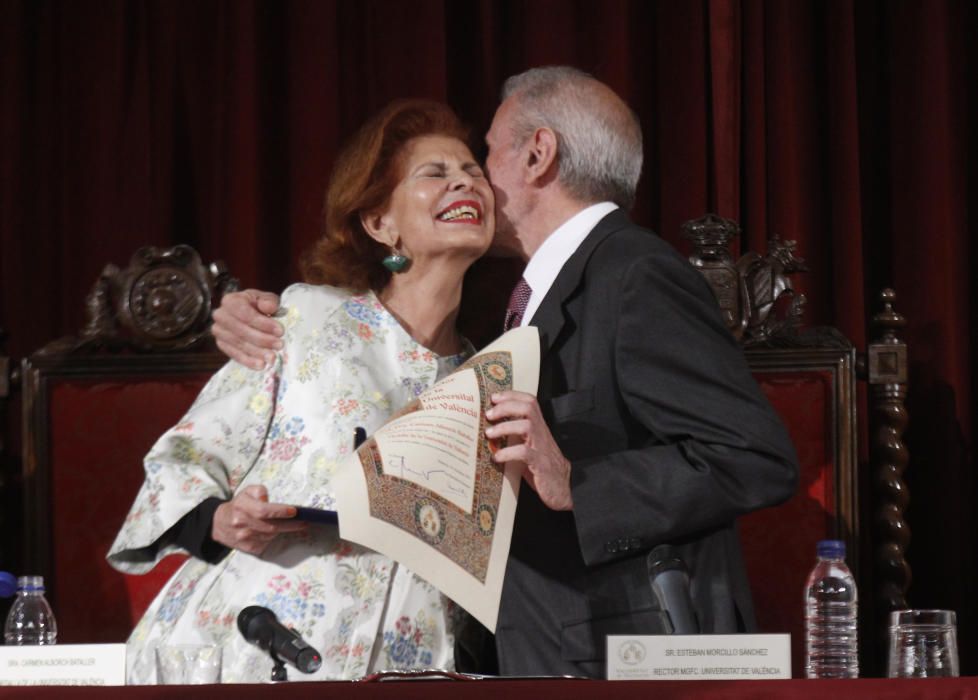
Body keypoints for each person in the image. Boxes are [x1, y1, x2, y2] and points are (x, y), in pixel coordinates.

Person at [212, 66, 799, 678]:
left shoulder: (635, 275)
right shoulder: (516, 305)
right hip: (532, 657)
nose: (476, 180)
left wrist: (577, 482)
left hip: (635, 664)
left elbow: (754, 455)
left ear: (538, 154)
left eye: (483, 156)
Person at [107, 99, 495, 683]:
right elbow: (185, 454)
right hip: (258, 639)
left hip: (408, 659)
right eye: (435, 174)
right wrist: (220, 519)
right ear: (379, 223)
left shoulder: (486, 376)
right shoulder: (305, 318)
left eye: (475, 172)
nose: (465, 181)